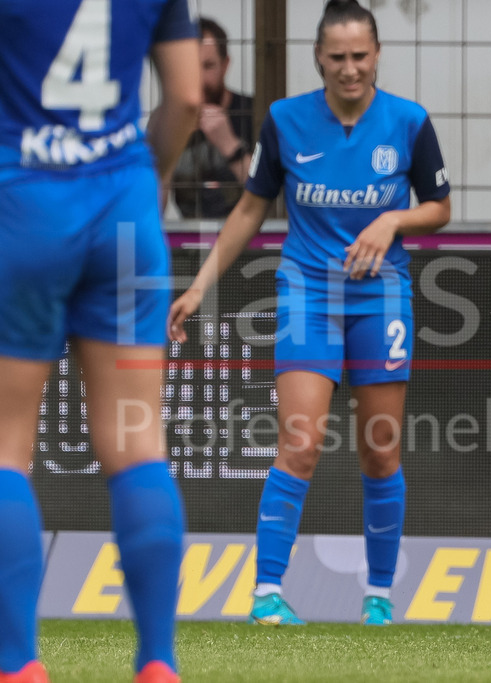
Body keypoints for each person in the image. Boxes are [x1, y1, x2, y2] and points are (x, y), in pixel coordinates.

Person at [168, 0, 450, 628]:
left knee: (380, 450)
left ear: (377, 56)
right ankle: (267, 594)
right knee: (299, 442)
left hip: (382, 296)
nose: (350, 69)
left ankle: (379, 597)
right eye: (337, 58)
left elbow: (439, 206)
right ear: (318, 59)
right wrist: (199, 287)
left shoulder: (408, 122)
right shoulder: (285, 120)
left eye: (360, 56)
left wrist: (392, 218)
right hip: (306, 293)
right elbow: (249, 210)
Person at [0, 1, 200, 682]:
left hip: (23, 202)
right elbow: (185, 96)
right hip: (124, 210)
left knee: (5, 445)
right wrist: (151, 178)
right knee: (139, 443)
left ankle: (18, 664)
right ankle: (156, 662)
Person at [170, 16, 255, 218]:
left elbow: (276, 199)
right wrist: (170, 148)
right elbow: (152, 209)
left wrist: (230, 146)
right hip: (187, 242)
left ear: (225, 65)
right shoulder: (167, 119)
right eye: (190, 67)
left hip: (251, 244)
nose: (198, 79)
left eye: (208, 66)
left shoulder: (256, 113)